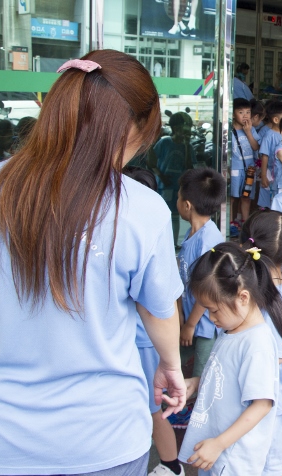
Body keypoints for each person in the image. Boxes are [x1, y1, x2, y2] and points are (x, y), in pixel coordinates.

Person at [0, 50, 186, 475]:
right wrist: (171, 366)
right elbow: (160, 310)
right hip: (104, 438)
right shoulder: (141, 208)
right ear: (132, 129)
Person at [178, 242, 282, 474]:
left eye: (214, 310)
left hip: (233, 458)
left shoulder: (255, 343)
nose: (209, 317)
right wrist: (198, 382)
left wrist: (219, 444)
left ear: (243, 297)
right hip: (217, 450)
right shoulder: (232, 329)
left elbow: (261, 404)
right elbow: (229, 379)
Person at [123, 166, 184, 476]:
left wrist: (170, 358)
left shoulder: (138, 227)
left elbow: (161, 304)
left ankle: (172, 465)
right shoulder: (149, 225)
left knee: (150, 408)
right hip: (143, 340)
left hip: (145, 340)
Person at [240, 210, 282, 476]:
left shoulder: (263, 289)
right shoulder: (273, 285)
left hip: (263, 388)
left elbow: (278, 357)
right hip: (264, 387)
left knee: (263, 453)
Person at [169, 168, 226, 432]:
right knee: (180, 361)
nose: (177, 201)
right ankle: (184, 405)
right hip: (189, 318)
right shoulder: (192, 235)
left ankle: (196, 417)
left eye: (178, 197)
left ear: (187, 205)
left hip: (203, 324)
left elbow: (206, 290)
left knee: (201, 372)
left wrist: (190, 324)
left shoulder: (208, 240)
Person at [148, 111, 196, 246]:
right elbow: (152, 162)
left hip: (178, 187)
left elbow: (189, 166)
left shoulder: (189, 146)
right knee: (163, 214)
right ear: (175, 129)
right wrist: (161, 177)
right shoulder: (164, 143)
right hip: (165, 186)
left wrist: (186, 146)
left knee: (175, 215)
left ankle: (173, 243)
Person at [231, 98, 260, 224]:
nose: (245, 116)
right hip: (235, 169)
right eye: (241, 112)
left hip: (250, 170)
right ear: (233, 114)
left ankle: (245, 222)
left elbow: (256, 147)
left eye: (248, 112)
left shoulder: (251, 129)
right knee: (233, 197)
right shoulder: (230, 131)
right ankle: (231, 222)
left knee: (246, 197)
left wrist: (248, 132)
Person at [259, 101, 282, 206]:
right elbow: (265, 156)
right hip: (269, 171)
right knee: (267, 199)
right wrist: (264, 175)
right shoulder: (269, 135)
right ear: (276, 120)